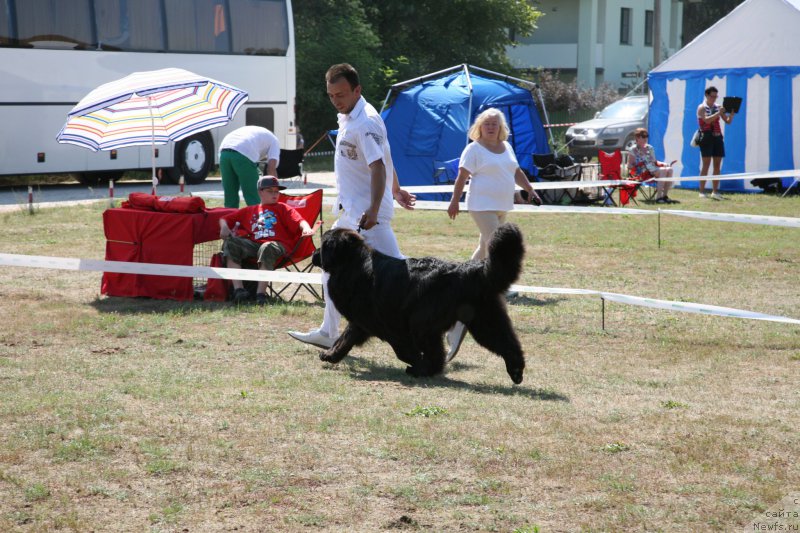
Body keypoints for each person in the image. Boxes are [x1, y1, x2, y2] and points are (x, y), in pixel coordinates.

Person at [287, 63, 416, 349]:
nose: (336, 100)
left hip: (366, 216)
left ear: (357, 90)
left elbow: (378, 166)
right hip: (354, 213)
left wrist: (373, 208)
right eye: (332, 95)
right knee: (332, 263)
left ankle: (451, 312)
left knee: (399, 274)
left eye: (341, 94)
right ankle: (329, 331)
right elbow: (385, 155)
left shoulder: (366, 122)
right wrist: (395, 190)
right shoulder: (351, 117)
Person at [445, 108, 539, 360]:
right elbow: (461, 177)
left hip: (501, 205)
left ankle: (462, 281)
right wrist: (454, 201)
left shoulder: (507, 147)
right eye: (487, 124)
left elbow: (516, 172)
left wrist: (529, 189)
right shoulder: (473, 149)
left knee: (485, 248)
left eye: (495, 124)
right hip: (480, 205)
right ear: (480, 127)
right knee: (497, 244)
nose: (491, 127)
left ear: (501, 128)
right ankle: (497, 287)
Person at [219, 176, 313, 305]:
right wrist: (224, 227)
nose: (275, 194)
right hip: (254, 245)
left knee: (267, 247)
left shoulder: (283, 208)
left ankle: (260, 294)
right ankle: (239, 291)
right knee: (230, 244)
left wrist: (307, 228)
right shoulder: (249, 210)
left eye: (276, 191)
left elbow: (300, 220)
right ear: (260, 192)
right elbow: (224, 218)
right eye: (270, 191)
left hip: (278, 245)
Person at [219, 126, 280, 208]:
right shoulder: (275, 141)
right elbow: (271, 168)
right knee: (253, 196)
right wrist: (275, 190)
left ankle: (230, 218)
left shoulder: (260, 134)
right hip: (244, 151)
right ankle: (258, 219)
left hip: (224, 151)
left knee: (230, 195)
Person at [696, 86, 734, 200]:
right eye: (712, 96)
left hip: (718, 137)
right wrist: (718, 113)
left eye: (715, 96)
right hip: (706, 137)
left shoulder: (718, 107)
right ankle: (702, 191)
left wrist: (731, 115)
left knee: (717, 165)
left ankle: (715, 191)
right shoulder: (701, 107)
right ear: (707, 95)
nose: (714, 98)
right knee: (706, 165)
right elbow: (706, 120)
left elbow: (727, 121)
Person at [627, 127, 678, 204]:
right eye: (643, 136)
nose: (646, 138)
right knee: (663, 170)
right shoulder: (633, 149)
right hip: (642, 172)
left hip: (653, 169)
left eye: (647, 136)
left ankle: (664, 196)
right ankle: (658, 197)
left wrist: (664, 164)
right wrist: (638, 166)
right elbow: (629, 166)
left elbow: (654, 161)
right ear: (637, 137)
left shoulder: (650, 148)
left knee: (669, 169)